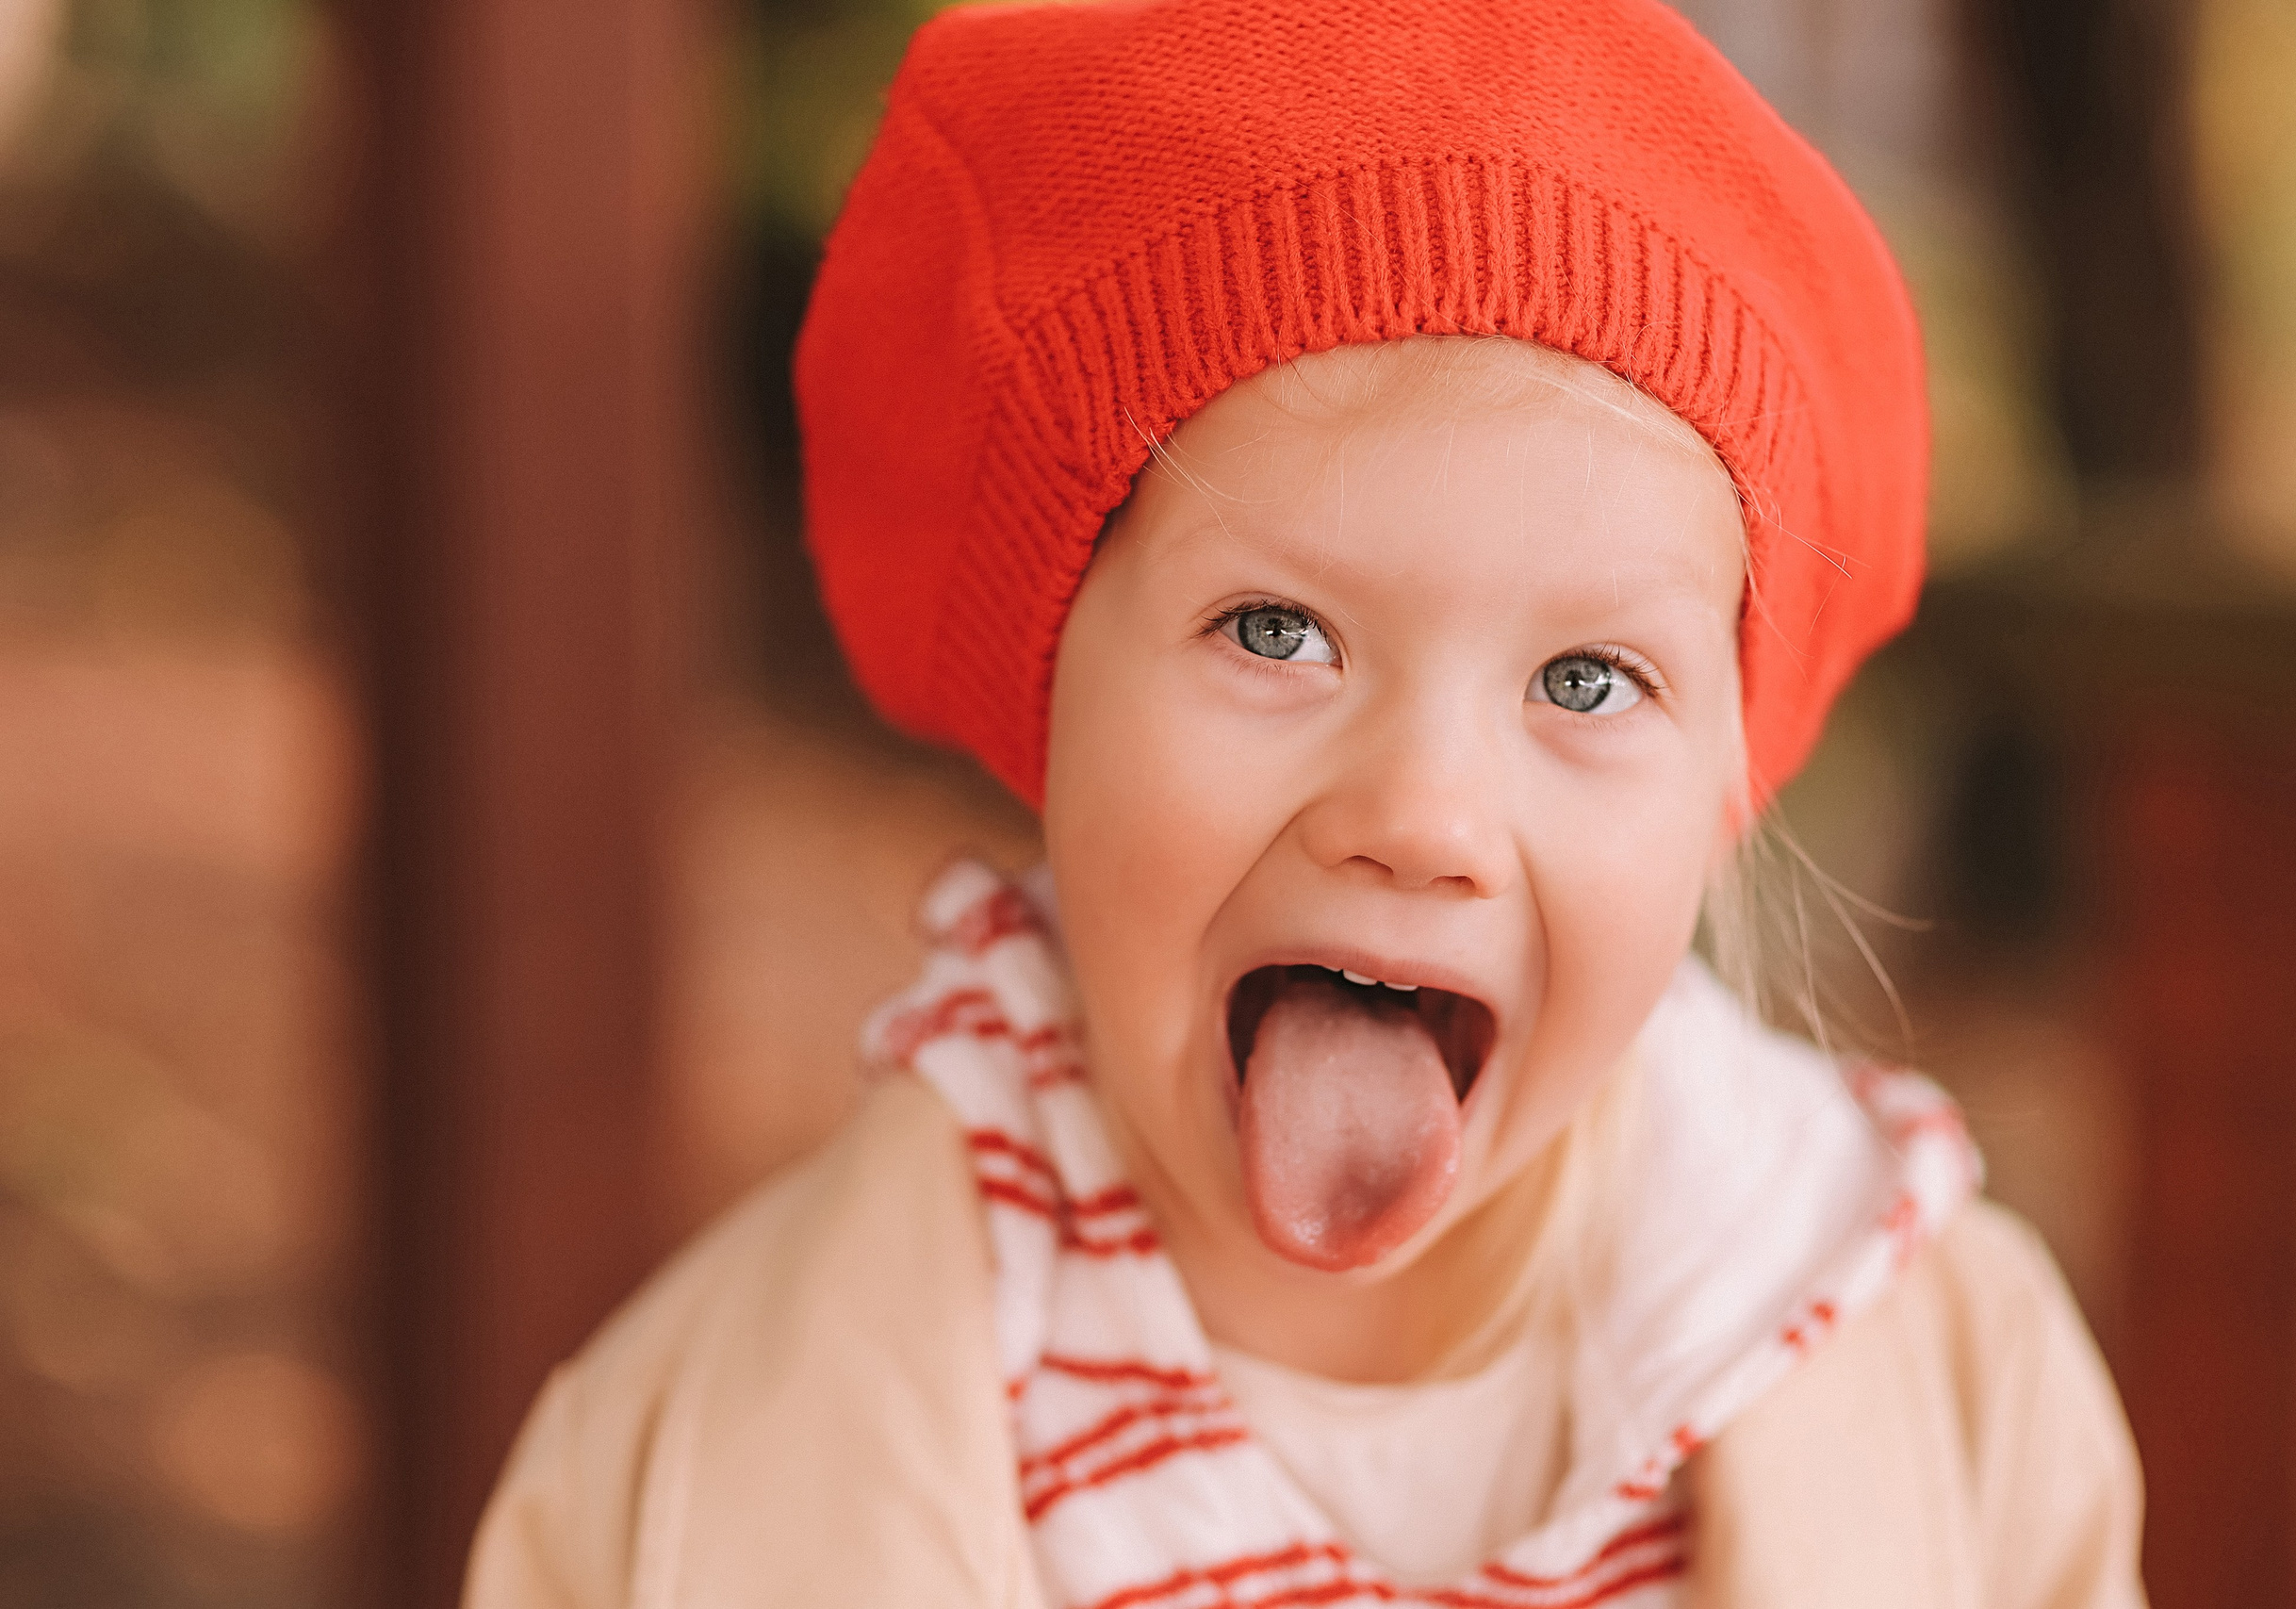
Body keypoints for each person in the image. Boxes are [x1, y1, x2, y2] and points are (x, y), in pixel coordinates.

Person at [466, 1, 2145, 1604]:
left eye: (1586, 682)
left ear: (1724, 784)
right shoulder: (684, 1459)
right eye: (1279, 634)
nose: (1421, 816)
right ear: (1049, 682)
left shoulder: (1953, 1391)